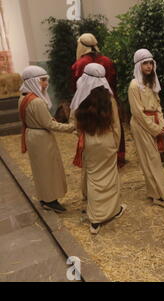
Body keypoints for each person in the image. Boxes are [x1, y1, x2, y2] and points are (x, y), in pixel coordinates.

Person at [71, 63, 126, 235]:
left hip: (89, 142)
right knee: (110, 176)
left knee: (94, 178)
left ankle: (95, 219)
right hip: (107, 141)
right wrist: (115, 145)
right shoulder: (109, 99)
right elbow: (116, 126)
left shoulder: (81, 97)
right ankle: (114, 210)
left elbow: (75, 124)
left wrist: (83, 138)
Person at [18, 66, 74, 213]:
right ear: (33, 82)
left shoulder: (23, 97)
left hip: (33, 135)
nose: (45, 84)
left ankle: (45, 197)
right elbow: (49, 124)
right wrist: (71, 127)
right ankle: (50, 200)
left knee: (40, 169)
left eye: (45, 80)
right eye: (42, 80)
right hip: (41, 138)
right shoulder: (36, 102)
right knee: (48, 169)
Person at [71, 33, 126, 168]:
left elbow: (75, 87)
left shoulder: (79, 63)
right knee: (114, 125)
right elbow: (114, 82)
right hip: (109, 102)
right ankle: (117, 155)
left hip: (87, 106)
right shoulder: (107, 61)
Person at [128, 49, 164, 207]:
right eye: (145, 63)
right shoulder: (134, 85)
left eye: (151, 63)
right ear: (139, 65)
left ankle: (157, 189)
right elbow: (137, 112)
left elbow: (158, 106)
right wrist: (155, 128)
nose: (149, 66)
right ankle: (157, 195)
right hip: (141, 125)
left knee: (154, 159)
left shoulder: (151, 83)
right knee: (150, 159)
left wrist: (162, 125)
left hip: (153, 124)